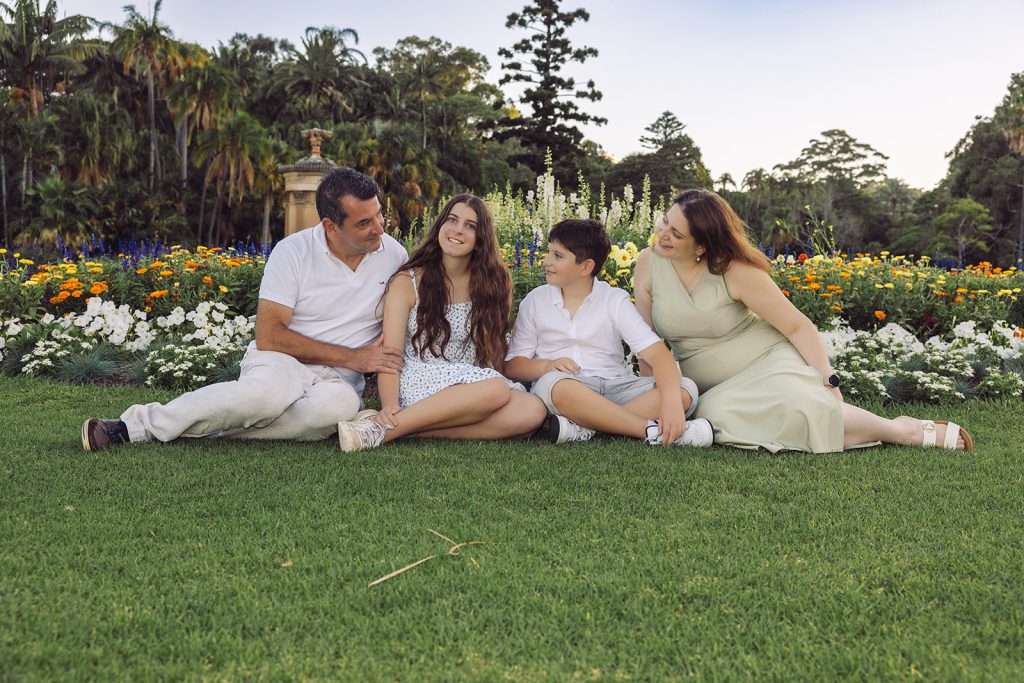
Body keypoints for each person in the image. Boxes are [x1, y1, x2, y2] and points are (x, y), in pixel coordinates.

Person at [81, 167, 408, 451]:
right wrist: (354, 357)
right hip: (282, 361)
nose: (379, 228)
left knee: (333, 412)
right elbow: (269, 336)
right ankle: (136, 426)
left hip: (338, 381)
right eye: (365, 222)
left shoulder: (393, 255)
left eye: (380, 214)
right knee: (263, 398)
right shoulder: (292, 252)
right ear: (331, 226)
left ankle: (217, 432)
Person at [633, 189, 974, 453]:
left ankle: (902, 431)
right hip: (708, 387)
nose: (663, 234)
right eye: (665, 222)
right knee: (715, 417)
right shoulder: (648, 263)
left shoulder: (733, 270)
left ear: (702, 245)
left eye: (676, 233)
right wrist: (656, 394)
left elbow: (798, 325)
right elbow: (646, 339)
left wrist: (828, 378)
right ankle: (874, 426)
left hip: (766, 362)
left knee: (794, 406)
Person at [336, 194, 547, 452]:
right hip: (421, 379)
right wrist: (389, 406)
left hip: (472, 385)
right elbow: (390, 355)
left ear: (481, 237)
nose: (458, 230)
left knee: (532, 410)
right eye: (453, 220)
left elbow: (494, 347)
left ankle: (408, 428)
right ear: (440, 226)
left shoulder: (494, 281)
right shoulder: (408, 282)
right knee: (496, 389)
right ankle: (381, 430)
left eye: (470, 226)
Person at [504, 218, 714, 447]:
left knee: (685, 389)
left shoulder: (614, 300)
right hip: (569, 388)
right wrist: (545, 366)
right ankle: (649, 430)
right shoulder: (535, 301)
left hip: (617, 387)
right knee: (552, 384)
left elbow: (658, 355)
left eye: (558, 256)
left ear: (586, 267)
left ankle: (585, 427)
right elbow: (513, 366)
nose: (546, 261)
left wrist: (672, 403)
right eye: (549, 252)